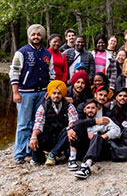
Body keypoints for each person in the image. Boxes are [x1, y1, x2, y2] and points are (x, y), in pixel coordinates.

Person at [9, 24, 55, 164]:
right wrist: (15, 92)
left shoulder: (47, 54)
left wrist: (50, 90)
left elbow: (52, 74)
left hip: (42, 93)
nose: (36, 37)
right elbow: (14, 72)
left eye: (38, 34)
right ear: (29, 36)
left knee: (37, 123)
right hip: (25, 93)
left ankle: (31, 150)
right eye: (33, 34)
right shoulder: (21, 52)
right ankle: (19, 154)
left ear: (42, 36)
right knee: (23, 124)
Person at [29, 81, 78, 166]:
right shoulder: (43, 107)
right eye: (54, 93)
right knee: (35, 134)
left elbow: (73, 121)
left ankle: (53, 155)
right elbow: (38, 123)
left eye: (59, 93)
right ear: (50, 94)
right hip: (48, 137)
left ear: (62, 94)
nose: (56, 96)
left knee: (70, 130)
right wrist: (33, 137)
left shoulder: (69, 106)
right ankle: (38, 158)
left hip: (62, 139)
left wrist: (70, 128)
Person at [71, 99, 121, 179]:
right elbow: (74, 126)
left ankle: (86, 166)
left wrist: (104, 136)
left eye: (93, 108)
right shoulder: (81, 121)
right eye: (88, 108)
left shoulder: (103, 119)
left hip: (98, 150)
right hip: (83, 150)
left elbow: (117, 130)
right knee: (75, 129)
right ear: (84, 110)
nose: (90, 110)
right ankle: (72, 159)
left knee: (97, 137)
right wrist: (88, 134)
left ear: (97, 109)